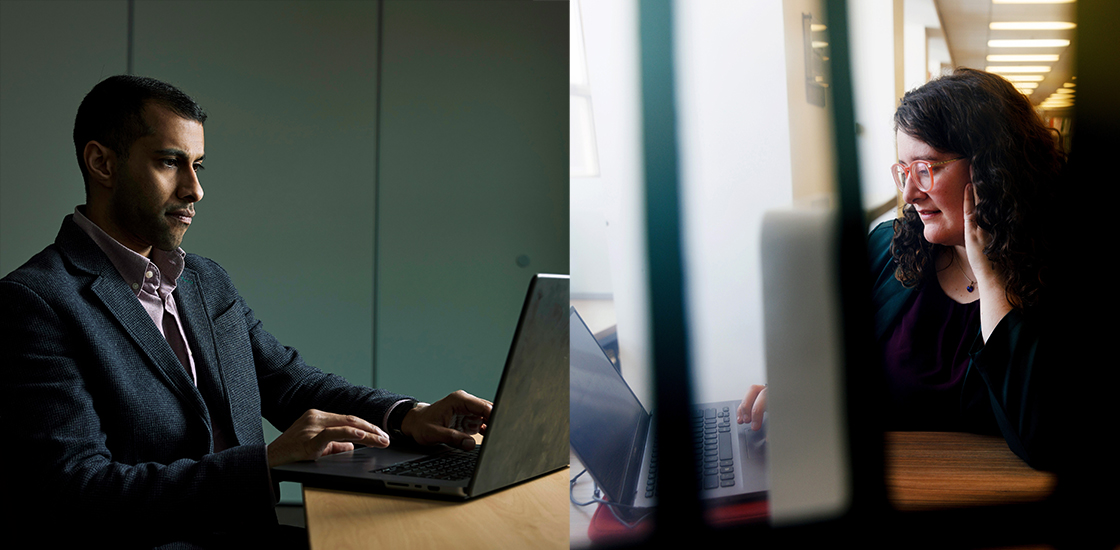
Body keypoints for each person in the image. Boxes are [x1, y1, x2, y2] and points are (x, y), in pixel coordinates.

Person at [0, 75, 493, 548]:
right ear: (102, 163)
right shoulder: (35, 302)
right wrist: (264, 463)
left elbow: (289, 383)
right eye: (171, 162)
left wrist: (409, 415)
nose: (194, 190)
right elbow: (77, 491)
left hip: (250, 538)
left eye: (198, 165)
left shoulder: (206, 280)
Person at [738, 68, 1062, 470]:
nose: (909, 193)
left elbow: (1045, 439)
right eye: (904, 171)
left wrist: (992, 279)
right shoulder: (888, 248)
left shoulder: (1053, 265)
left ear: (992, 169)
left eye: (927, 169)